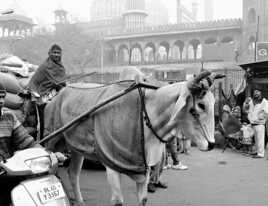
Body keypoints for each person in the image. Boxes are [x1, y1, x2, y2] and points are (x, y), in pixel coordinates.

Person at [0, 82, 65, 205]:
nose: (1, 101)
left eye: (2, 97)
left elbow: (27, 142)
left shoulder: (9, 117)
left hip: (10, 172)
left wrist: (49, 155)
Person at [243, 89, 268, 158]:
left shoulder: (264, 101)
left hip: (260, 124)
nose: (256, 93)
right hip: (253, 123)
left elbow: (266, 111)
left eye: (257, 92)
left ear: (261, 93)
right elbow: (245, 110)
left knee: (260, 139)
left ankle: (260, 154)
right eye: (255, 92)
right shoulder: (251, 101)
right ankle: (257, 151)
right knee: (256, 140)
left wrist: (259, 118)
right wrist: (246, 103)